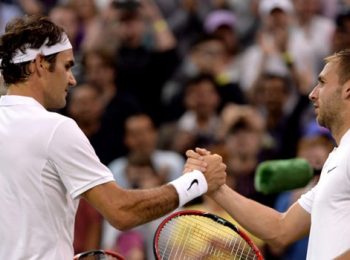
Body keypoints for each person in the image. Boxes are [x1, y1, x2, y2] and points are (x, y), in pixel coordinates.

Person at [0, 15, 227, 259]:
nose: (73, 79)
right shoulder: (55, 128)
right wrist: (196, 181)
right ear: (40, 64)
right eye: (67, 66)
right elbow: (121, 211)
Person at [188, 49, 350, 259]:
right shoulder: (337, 159)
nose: (312, 93)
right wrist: (216, 188)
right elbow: (281, 229)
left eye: (322, 82)